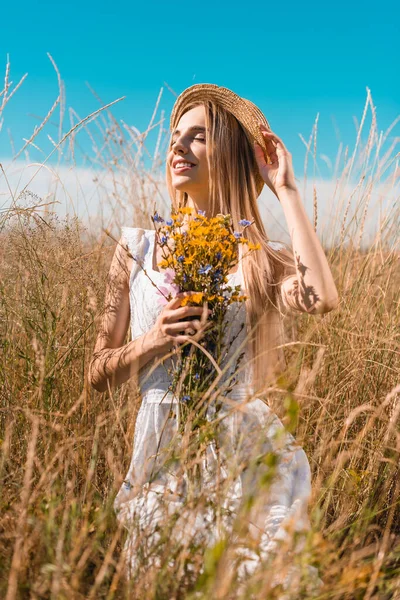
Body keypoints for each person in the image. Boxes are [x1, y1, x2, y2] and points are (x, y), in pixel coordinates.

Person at [89, 84, 338, 584]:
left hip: (242, 452)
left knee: (244, 582)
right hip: (161, 448)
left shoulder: (259, 260)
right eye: (176, 136)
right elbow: (97, 372)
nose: (178, 146)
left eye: (198, 137)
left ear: (228, 154)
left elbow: (321, 299)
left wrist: (285, 188)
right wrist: (153, 341)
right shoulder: (134, 247)